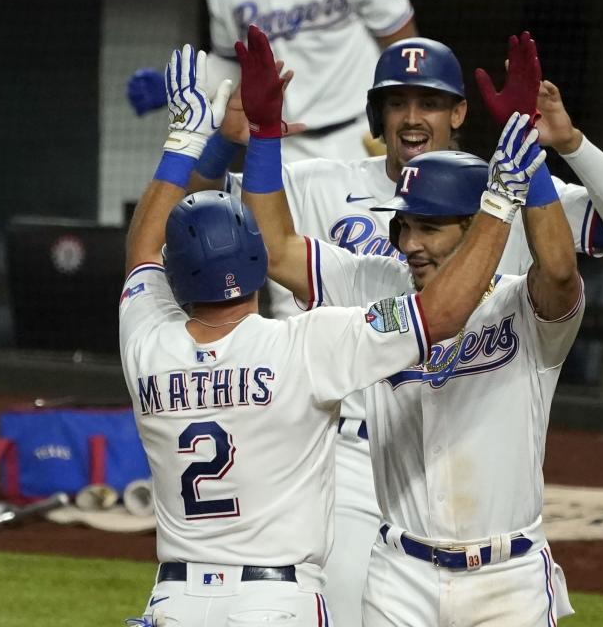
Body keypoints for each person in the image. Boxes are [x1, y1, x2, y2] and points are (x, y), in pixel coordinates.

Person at [195, 29, 603, 627]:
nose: (410, 244)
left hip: (504, 558)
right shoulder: (371, 277)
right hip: (375, 493)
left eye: (429, 229)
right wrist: (257, 136)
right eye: (402, 227)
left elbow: (581, 261)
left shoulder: (520, 294)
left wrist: (543, 149)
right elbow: (268, 242)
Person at [119, 41, 546, 626]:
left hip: (176, 599)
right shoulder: (304, 347)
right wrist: (503, 198)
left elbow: (142, 251)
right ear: (253, 263)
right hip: (275, 603)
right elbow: (440, 315)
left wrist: (189, 141)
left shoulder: (145, 341)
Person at [128, 0, 417, 163]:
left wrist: (402, 126)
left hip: (363, 136)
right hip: (281, 147)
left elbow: (404, 47)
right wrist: (183, 83)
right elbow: (233, 64)